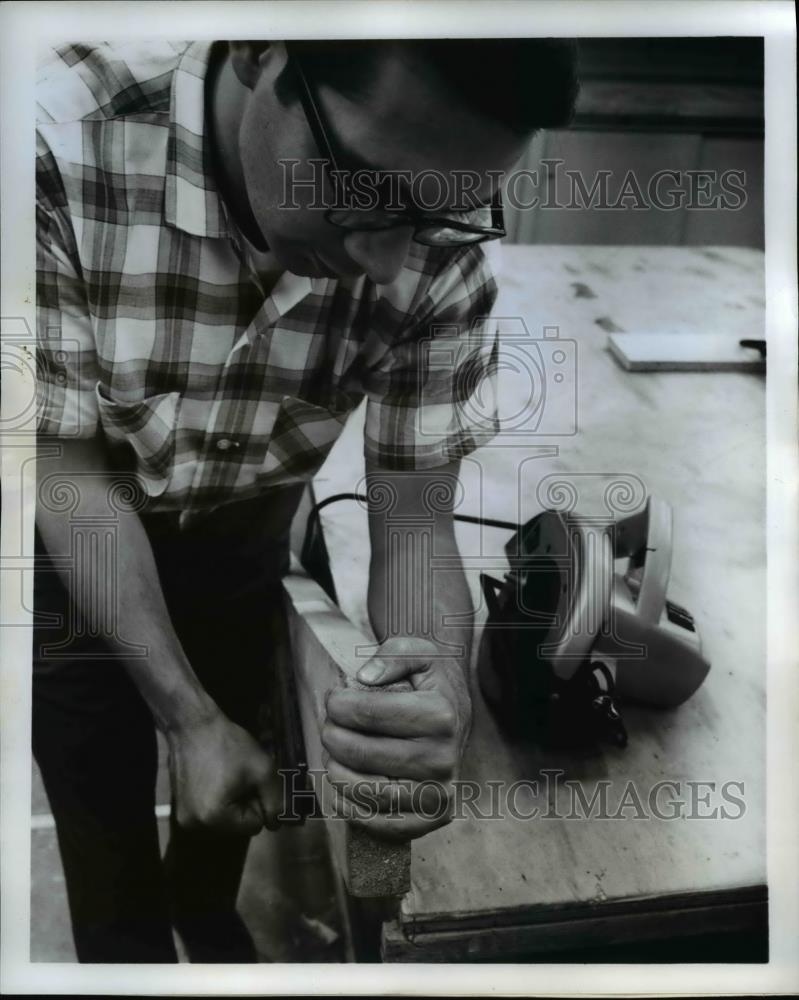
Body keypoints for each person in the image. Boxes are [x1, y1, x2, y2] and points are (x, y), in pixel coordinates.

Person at [33, 37, 579, 962]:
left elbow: (412, 520)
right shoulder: (44, 150)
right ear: (259, 48)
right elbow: (63, 468)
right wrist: (184, 716)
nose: (384, 258)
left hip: (245, 544)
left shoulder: (435, 250)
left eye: (435, 215)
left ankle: (206, 914)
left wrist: (435, 689)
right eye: (364, 184)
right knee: (102, 798)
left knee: (238, 788)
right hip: (69, 544)